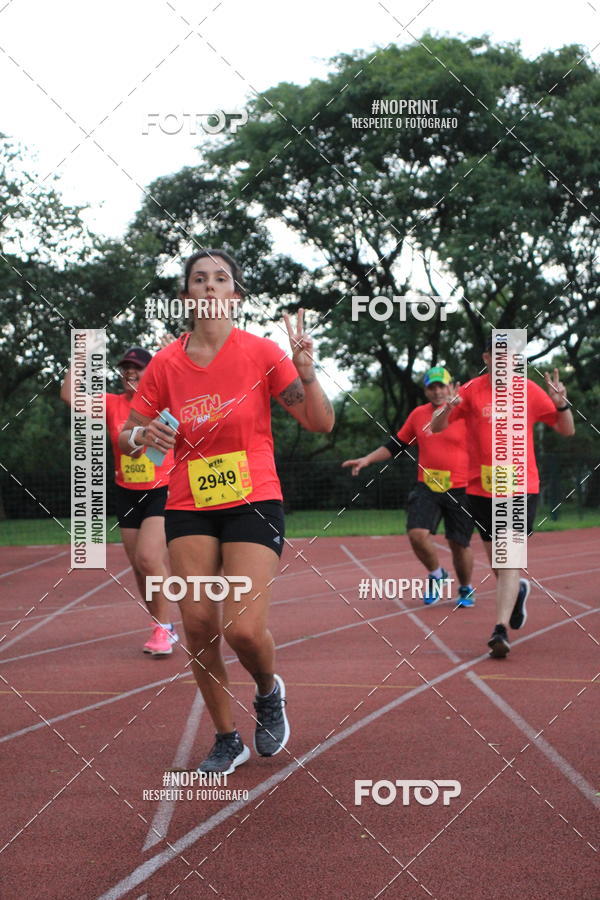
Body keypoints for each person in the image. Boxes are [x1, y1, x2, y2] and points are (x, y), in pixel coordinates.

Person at [118, 248, 335, 775]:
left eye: (221, 279)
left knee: (241, 629)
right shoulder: (166, 363)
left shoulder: (262, 353)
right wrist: (144, 436)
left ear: (235, 296)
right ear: (186, 296)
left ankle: (267, 690)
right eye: (199, 279)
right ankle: (225, 737)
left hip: (253, 498)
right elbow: (127, 441)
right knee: (196, 624)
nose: (210, 287)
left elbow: (320, 423)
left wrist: (306, 374)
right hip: (189, 500)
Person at [431, 336, 575, 657]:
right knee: (499, 562)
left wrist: (561, 402)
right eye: (497, 354)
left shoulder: (529, 391)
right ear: (486, 357)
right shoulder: (470, 390)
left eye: (509, 355)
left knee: (509, 559)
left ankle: (499, 629)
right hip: (481, 488)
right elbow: (437, 427)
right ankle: (518, 592)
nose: (503, 360)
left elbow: (567, 430)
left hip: (522, 487)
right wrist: (448, 407)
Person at [61, 345, 178, 657]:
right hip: (127, 492)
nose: (130, 372)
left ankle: (165, 628)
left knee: (149, 559)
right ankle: (160, 624)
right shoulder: (111, 404)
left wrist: (175, 356)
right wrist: (80, 361)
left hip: (162, 489)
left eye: (137, 368)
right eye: (125, 368)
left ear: (150, 373)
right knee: (139, 568)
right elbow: (70, 397)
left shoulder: (164, 402)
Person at [343, 366, 475, 606]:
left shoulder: (465, 412)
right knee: (417, 534)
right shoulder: (418, 415)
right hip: (427, 485)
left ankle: (465, 587)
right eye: (431, 387)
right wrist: (367, 459)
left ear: (450, 386)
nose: (436, 392)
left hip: (462, 488)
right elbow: (395, 445)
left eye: (441, 386)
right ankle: (437, 575)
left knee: (459, 544)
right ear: (426, 391)